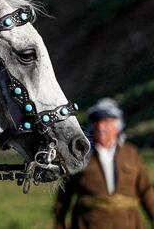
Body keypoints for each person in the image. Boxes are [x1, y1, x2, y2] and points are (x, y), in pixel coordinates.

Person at [54, 97, 154, 229]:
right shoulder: (80, 155)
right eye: (96, 122)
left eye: (106, 121)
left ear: (117, 125)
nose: (100, 127)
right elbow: (64, 195)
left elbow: (146, 190)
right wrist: (59, 223)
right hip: (88, 223)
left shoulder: (131, 154)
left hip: (128, 223)